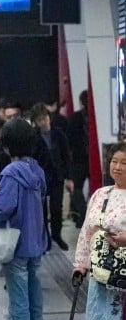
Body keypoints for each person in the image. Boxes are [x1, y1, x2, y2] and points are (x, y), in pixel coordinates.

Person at [0, 118, 48, 320]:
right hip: (36, 242)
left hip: (15, 245)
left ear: (8, 144)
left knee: (18, 301)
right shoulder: (37, 171)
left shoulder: (10, 173)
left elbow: (3, 210)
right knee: (35, 299)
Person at [72, 142, 126, 320]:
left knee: (122, 319)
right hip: (102, 267)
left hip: (124, 269)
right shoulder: (100, 194)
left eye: (124, 163)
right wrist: (80, 264)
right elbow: (86, 231)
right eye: (115, 161)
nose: (118, 167)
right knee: (106, 318)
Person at [30, 102, 72, 250]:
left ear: (49, 117)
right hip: (40, 177)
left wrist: (68, 177)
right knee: (41, 210)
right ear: (35, 122)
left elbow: (66, 155)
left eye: (45, 118)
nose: (43, 122)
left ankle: (57, 235)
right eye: (39, 120)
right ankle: (45, 238)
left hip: (57, 176)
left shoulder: (58, 133)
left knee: (56, 208)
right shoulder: (34, 137)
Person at [67, 90, 90, 228]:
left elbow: (69, 139)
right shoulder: (97, 117)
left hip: (77, 158)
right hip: (93, 157)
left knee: (76, 188)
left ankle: (83, 214)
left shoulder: (74, 117)